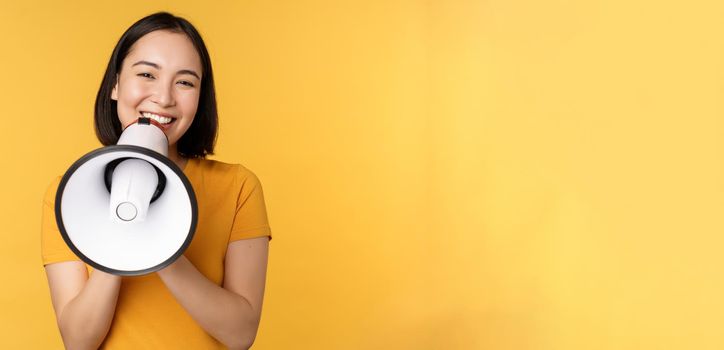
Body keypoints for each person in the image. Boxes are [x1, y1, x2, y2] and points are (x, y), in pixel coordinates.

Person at [41, 12, 272, 350]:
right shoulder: (68, 193)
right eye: (147, 74)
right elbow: (78, 342)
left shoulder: (238, 186)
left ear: (200, 98)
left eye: (185, 82)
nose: (164, 98)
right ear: (115, 85)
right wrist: (124, 229)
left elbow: (240, 335)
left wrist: (161, 244)